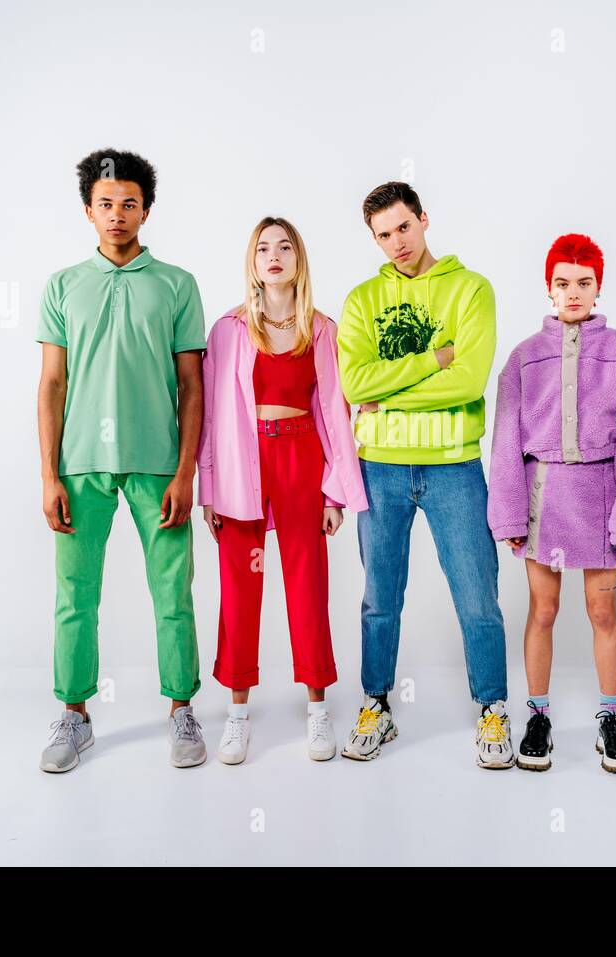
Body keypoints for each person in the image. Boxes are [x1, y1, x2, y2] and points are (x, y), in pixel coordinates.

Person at [35, 149, 207, 773]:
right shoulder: (62, 285)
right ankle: (74, 715)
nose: (117, 214)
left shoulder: (177, 285)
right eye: (105, 204)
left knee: (174, 594)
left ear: (146, 210)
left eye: (128, 203)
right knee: (74, 594)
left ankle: (181, 708)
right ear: (88, 210)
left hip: (159, 463)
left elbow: (194, 386)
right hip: (80, 465)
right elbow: (51, 384)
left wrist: (186, 472)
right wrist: (50, 474)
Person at [335, 181, 512, 769]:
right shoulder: (361, 300)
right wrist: (431, 361)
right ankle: (376, 703)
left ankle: (492, 707)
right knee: (379, 597)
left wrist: (392, 396)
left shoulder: (470, 289)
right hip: (379, 467)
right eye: (383, 235)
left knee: (477, 594)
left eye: (403, 228)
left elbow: (468, 380)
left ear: (424, 220)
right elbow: (354, 384)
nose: (396, 243)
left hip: (453, 465)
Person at [198, 217, 367, 764]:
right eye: (263, 248)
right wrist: (210, 487)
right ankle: (237, 715)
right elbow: (210, 415)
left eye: (285, 247)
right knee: (239, 590)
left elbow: (335, 413)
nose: (274, 256)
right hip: (243, 463)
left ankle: (318, 710)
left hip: (299, 459)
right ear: (252, 260)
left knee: (307, 584)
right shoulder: (227, 330)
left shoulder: (320, 329)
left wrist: (334, 491)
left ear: (299, 259)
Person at [488, 234, 616, 773]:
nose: (574, 292)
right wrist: (509, 513)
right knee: (544, 609)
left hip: (603, 498)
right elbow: (505, 442)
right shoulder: (522, 357)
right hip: (544, 500)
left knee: (603, 610)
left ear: (599, 286)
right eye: (563, 283)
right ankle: (537, 714)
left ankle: (611, 718)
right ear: (549, 288)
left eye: (584, 283)